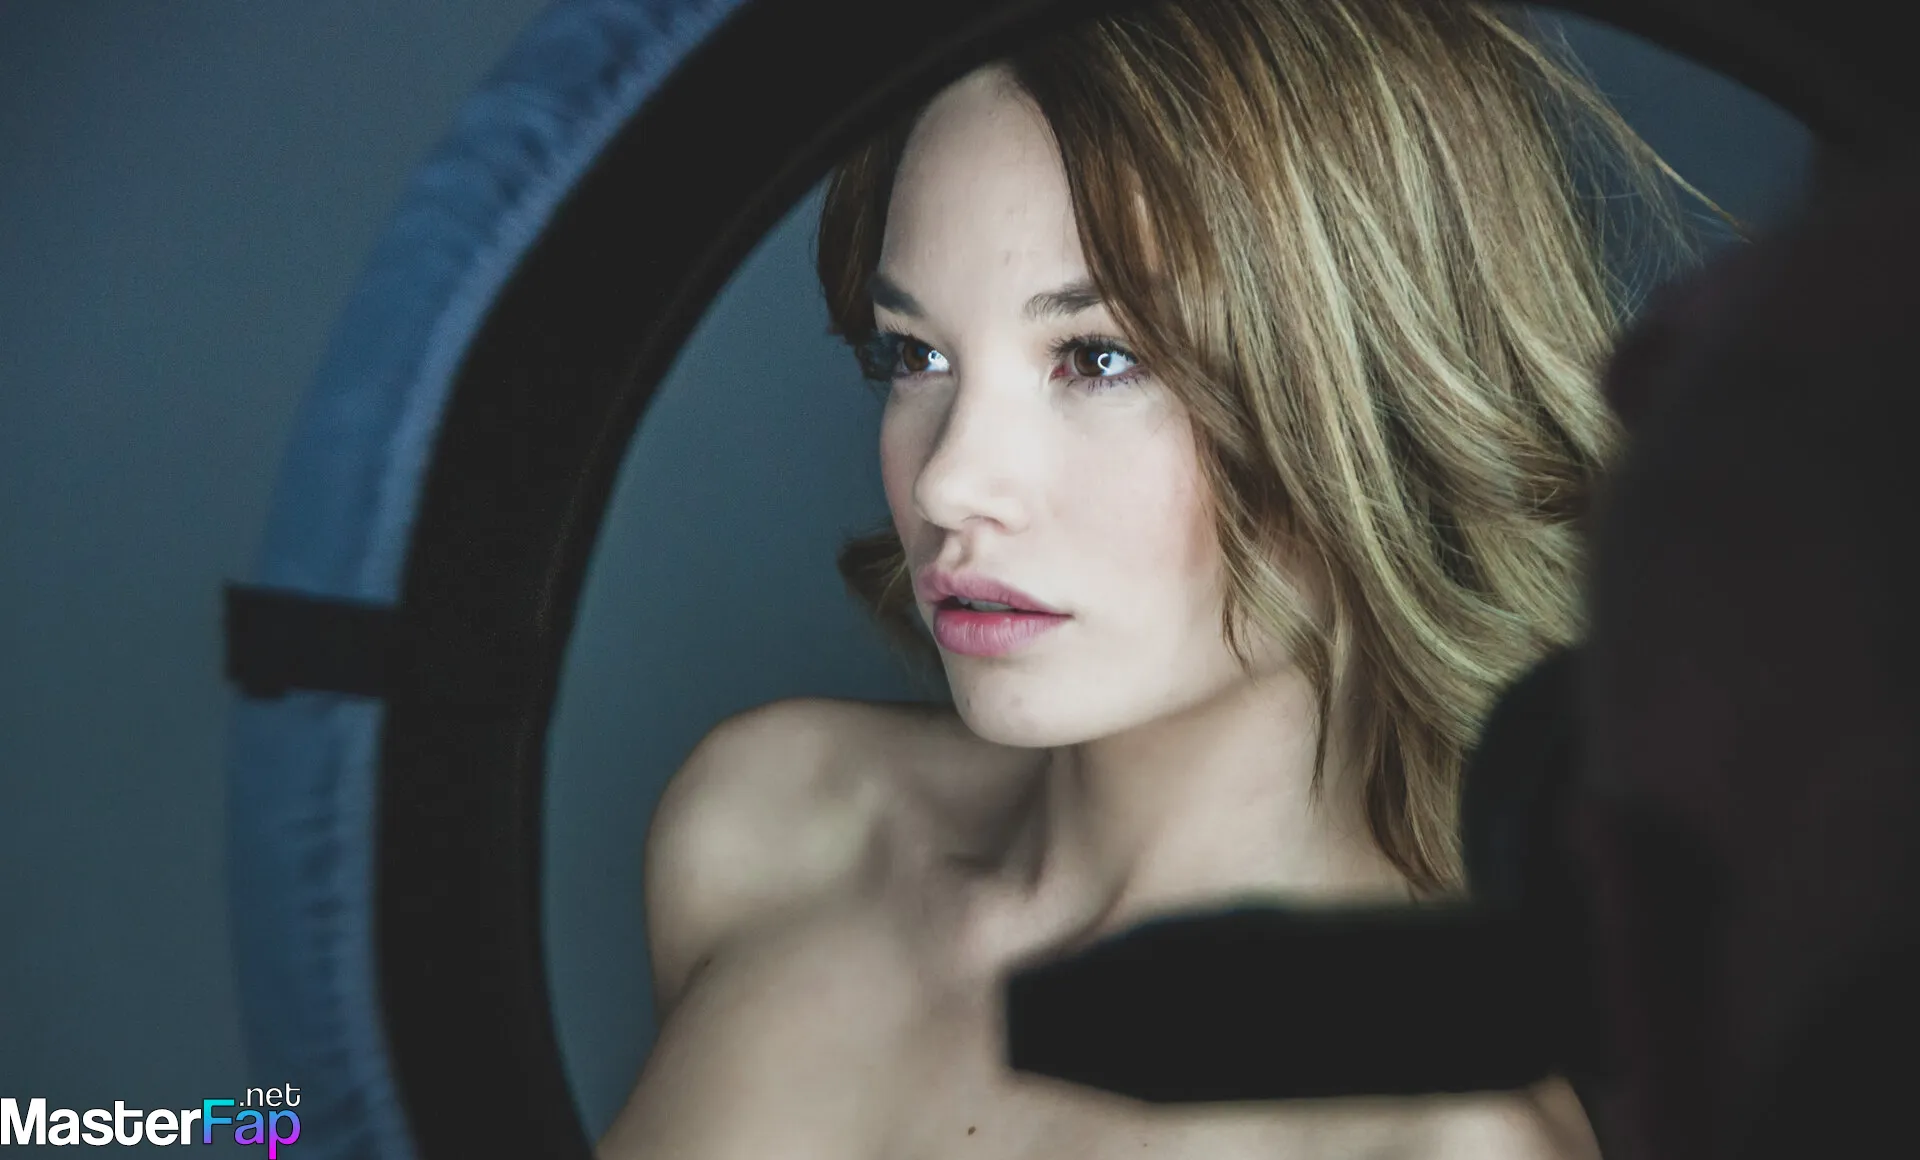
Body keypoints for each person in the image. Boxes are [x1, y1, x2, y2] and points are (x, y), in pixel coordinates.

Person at [599, 0, 1702, 1155]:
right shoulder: (766, 829)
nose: (948, 482)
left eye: (1099, 356)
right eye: (915, 353)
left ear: (1379, 391)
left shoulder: (1441, 1138)